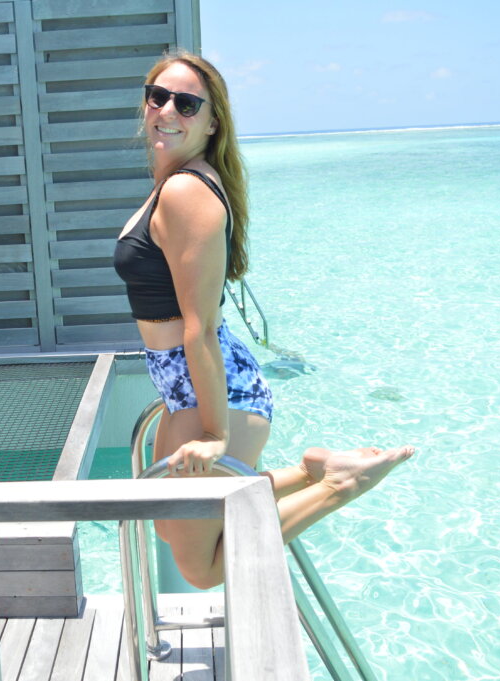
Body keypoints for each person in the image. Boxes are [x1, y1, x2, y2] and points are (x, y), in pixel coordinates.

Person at [113, 50, 414, 589]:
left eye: (186, 103)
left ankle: (337, 487)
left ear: (211, 122)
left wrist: (213, 433)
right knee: (165, 521)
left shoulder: (186, 191)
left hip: (217, 395)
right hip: (188, 385)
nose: (167, 111)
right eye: (158, 97)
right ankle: (310, 470)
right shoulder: (174, 183)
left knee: (201, 569)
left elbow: (200, 325)